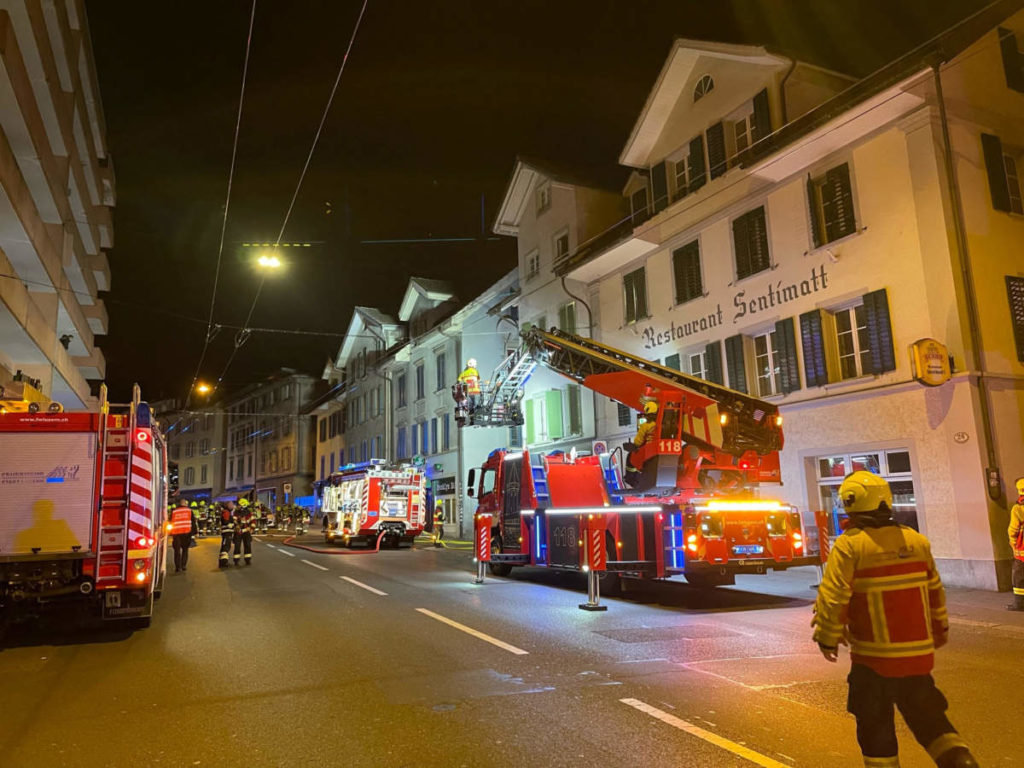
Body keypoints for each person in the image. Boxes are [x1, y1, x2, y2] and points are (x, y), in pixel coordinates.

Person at [812, 471, 977, 768]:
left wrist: (827, 636)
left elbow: (834, 597)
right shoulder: (916, 541)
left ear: (850, 503)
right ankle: (962, 762)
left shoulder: (850, 546)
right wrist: (939, 632)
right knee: (930, 721)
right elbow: (934, 593)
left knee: (875, 726)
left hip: (873, 660)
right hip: (917, 658)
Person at [623, 401, 658, 488]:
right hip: (660, 450)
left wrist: (634, 446)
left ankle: (630, 478)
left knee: (631, 456)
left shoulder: (645, 426)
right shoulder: (662, 424)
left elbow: (638, 441)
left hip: (649, 451)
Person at [1008, 476, 1024, 611]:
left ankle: (1020, 604)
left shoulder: (1018, 508)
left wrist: (1013, 543)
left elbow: (1013, 529)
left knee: (1019, 578)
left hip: (1022, 551)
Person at [169, 498, 195, 572]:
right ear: (185, 504)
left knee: (177, 551)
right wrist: (193, 532)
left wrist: (170, 532)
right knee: (185, 550)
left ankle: (178, 567)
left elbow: (170, 522)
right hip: (186, 533)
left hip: (176, 534)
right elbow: (193, 522)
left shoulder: (174, 511)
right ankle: (183, 565)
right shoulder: (189, 511)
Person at [233, 498, 255, 566]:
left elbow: (253, 521)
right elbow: (234, 521)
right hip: (238, 532)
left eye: (239, 505)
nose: (238, 506)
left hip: (246, 532)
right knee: (237, 546)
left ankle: (247, 559)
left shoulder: (249, 513)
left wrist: (251, 528)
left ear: (243, 505)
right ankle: (236, 560)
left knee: (247, 545)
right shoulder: (236, 513)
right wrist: (237, 525)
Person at [218, 501, 235, 568]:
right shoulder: (226, 512)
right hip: (227, 532)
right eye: (231, 505)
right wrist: (232, 524)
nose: (233, 506)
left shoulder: (227, 512)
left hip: (227, 532)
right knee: (226, 547)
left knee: (225, 547)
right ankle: (223, 562)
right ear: (228, 505)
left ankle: (222, 562)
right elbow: (226, 521)